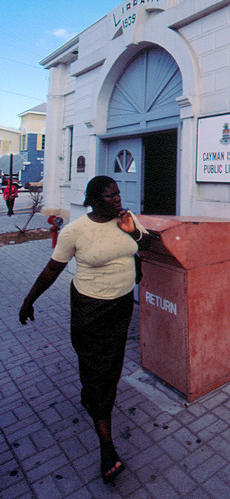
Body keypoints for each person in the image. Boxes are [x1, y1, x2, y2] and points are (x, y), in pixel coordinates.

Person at [19, 176, 150, 483]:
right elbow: (52, 270)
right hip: (90, 311)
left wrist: (134, 233)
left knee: (110, 368)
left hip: (120, 309)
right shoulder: (75, 231)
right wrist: (28, 301)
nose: (117, 199)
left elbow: (145, 245)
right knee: (99, 374)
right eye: (109, 196)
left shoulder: (126, 218)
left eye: (117, 194)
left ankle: (91, 394)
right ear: (93, 200)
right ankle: (107, 447)